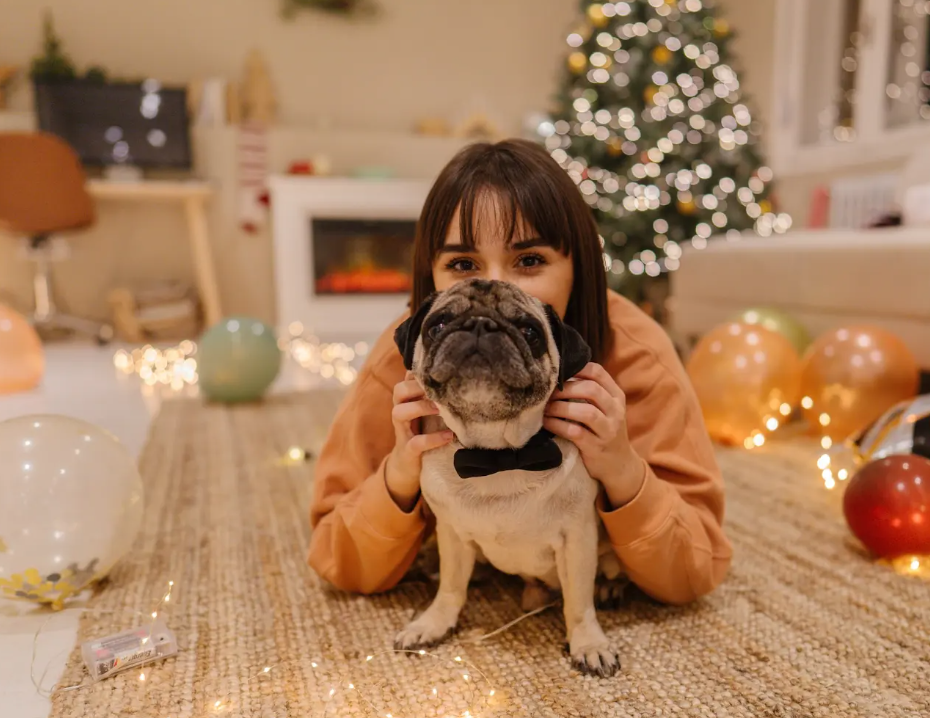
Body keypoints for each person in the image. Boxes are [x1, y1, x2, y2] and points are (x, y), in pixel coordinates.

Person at [308, 139, 730, 605]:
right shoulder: (401, 360)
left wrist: (624, 470)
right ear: (429, 277)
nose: (495, 289)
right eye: (463, 265)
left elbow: (697, 570)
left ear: (580, 268)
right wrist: (399, 477)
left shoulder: (637, 355)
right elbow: (334, 556)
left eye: (529, 261)